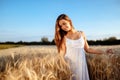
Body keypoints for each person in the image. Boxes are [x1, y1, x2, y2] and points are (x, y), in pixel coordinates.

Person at [54, 14, 113, 80]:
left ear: (69, 21)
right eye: (61, 26)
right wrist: (63, 68)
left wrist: (104, 52)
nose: (63, 27)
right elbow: (61, 55)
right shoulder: (64, 38)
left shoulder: (81, 33)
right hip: (69, 67)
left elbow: (88, 49)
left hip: (81, 65)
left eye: (64, 23)